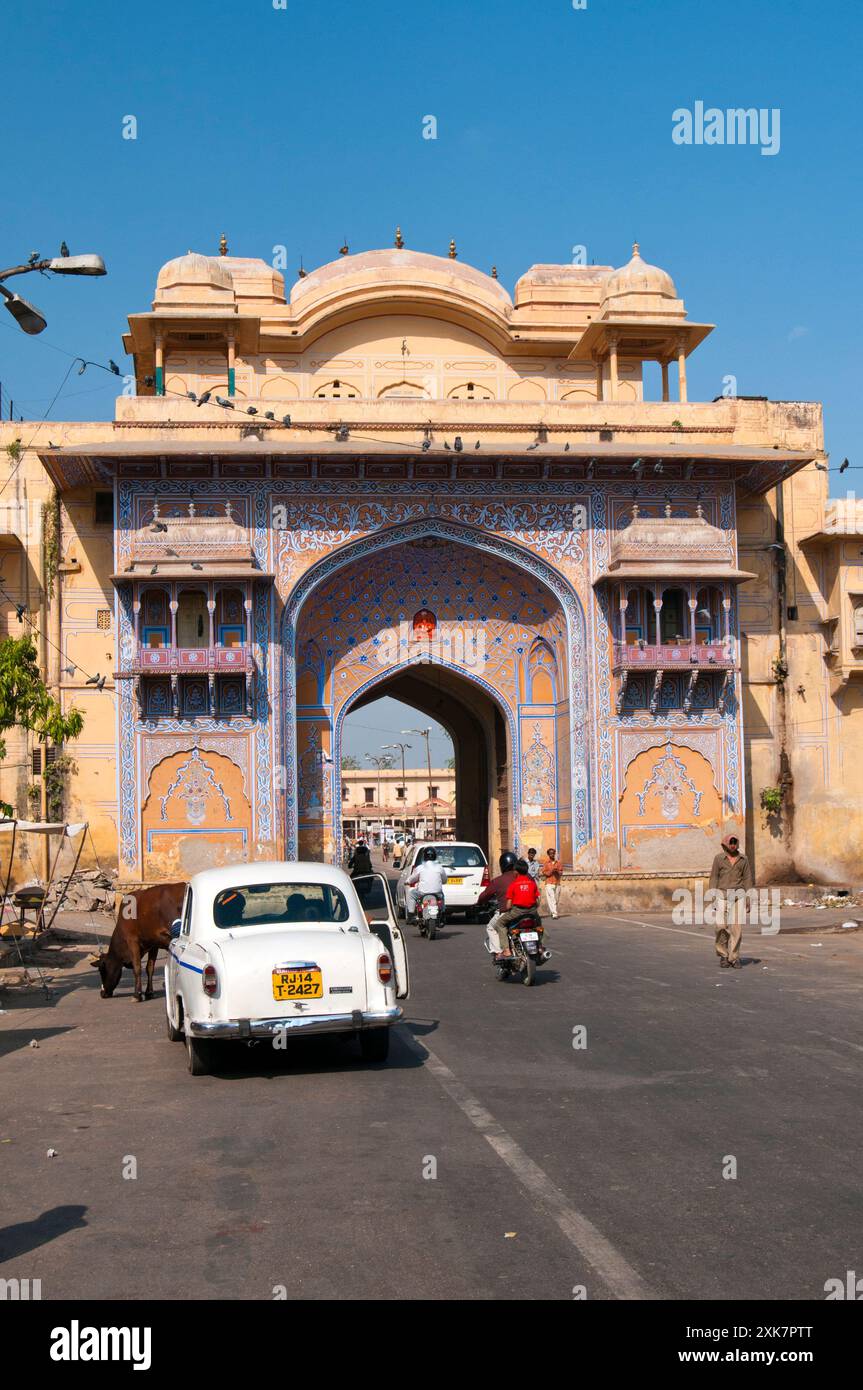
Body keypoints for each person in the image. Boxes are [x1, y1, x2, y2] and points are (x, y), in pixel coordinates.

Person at [484, 857, 549, 960]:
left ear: (516, 872)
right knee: (539, 925)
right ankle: (540, 946)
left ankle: (506, 950)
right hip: (532, 912)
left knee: (500, 924)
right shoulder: (532, 884)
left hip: (517, 912)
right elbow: (537, 901)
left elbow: (509, 905)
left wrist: (508, 908)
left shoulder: (513, 885)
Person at [708, 833, 754, 969]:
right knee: (720, 926)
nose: (733, 845)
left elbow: (747, 879)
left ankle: (734, 957)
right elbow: (714, 878)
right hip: (721, 895)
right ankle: (723, 955)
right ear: (725, 844)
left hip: (738, 896)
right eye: (731, 842)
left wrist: (748, 898)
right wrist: (713, 896)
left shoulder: (743, 860)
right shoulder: (718, 859)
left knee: (736, 929)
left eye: (735, 842)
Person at [406, 846, 448, 920]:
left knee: (411, 894)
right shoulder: (440, 867)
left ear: (424, 856)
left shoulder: (420, 868)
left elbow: (412, 878)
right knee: (442, 896)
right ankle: (443, 912)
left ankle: (411, 914)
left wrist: (408, 881)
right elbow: (444, 880)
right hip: (437, 893)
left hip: (422, 892)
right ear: (435, 856)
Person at [541, 847, 562, 920]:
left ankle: (553, 911)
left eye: (553, 853)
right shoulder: (546, 863)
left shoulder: (558, 863)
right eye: (551, 854)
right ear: (548, 854)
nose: (552, 855)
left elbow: (561, 872)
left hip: (557, 882)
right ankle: (554, 914)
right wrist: (550, 872)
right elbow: (544, 872)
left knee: (556, 899)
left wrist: (557, 872)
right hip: (549, 882)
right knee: (552, 898)